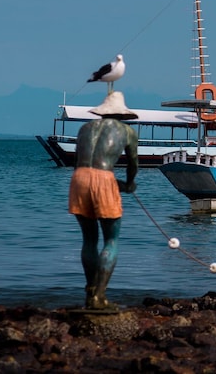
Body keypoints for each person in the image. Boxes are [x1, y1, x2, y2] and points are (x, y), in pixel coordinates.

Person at [68, 92, 139, 310]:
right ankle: (99, 296)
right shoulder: (127, 131)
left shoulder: (85, 129)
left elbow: (78, 159)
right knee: (111, 240)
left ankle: (89, 292)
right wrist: (128, 184)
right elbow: (132, 163)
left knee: (89, 240)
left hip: (79, 177)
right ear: (122, 114)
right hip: (104, 178)